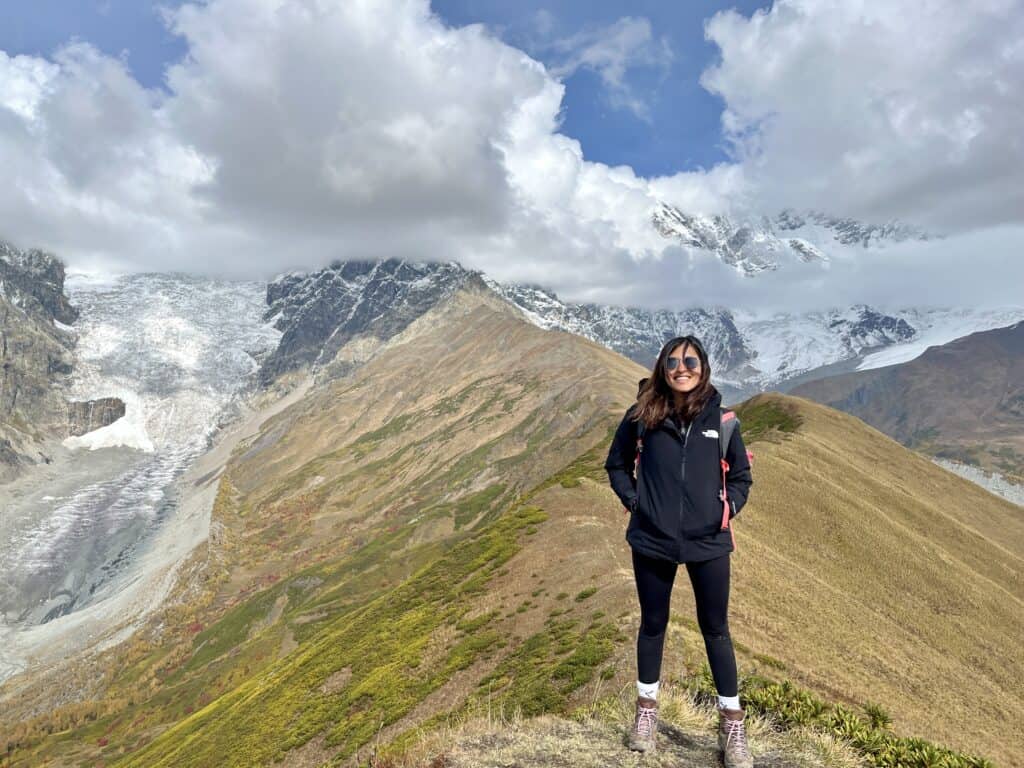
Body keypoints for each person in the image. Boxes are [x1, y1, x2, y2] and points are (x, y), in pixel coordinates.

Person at [604, 335, 754, 767]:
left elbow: (741, 476)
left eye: (689, 360)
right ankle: (646, 715)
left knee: (716, 629)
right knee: (653, 625)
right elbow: (616, 464)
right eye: (672, 361)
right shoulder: (641, 415)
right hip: (652, 537)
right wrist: (636, 503)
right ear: (662, 368)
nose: (681, 368)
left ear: (703, 366)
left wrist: (727, 509)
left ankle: (731, 723)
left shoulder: (723, 420)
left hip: (708, 540)